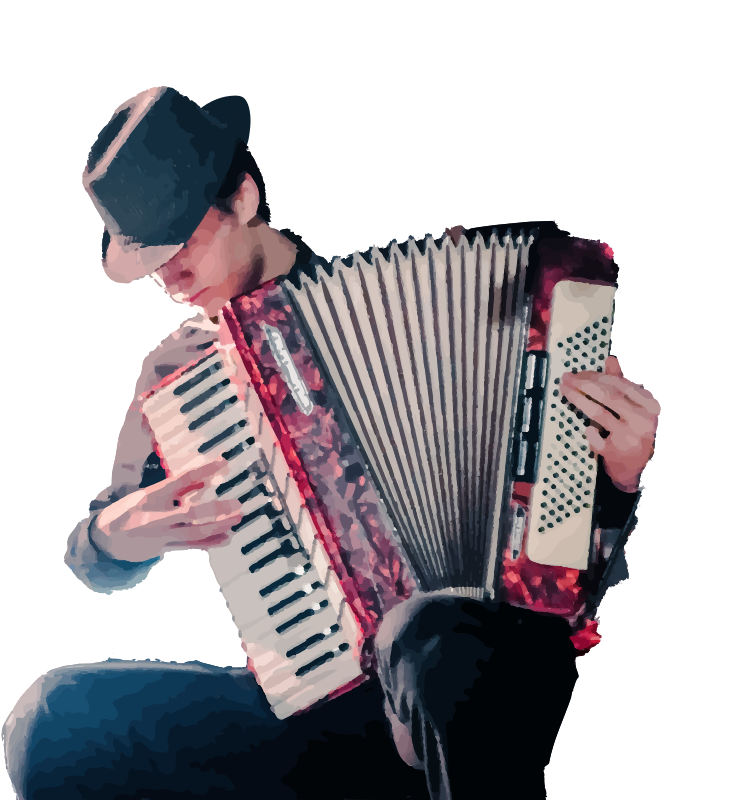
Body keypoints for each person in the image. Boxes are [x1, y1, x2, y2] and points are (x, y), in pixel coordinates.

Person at [2, 87, 660, 800]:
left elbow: (571, 579)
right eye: (152, 262)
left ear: (244, 198)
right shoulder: (179, 371)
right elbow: (94, 557)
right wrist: (114, 534)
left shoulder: (422, 302)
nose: (172, 277)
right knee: (52, 720)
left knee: (428, 634)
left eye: (182, 240)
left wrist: (618, 478)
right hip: (317, 699)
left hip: (469, 685)